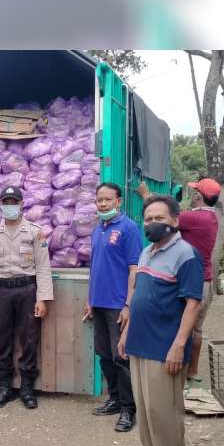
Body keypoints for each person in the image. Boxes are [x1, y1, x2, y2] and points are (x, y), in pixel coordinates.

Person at [118, 195, 204, 446]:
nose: (153, 223)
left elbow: (193, 304)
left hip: (165, 344)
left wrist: (180, 345)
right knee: (145, 405)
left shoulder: (187, 255)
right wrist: (126, 331)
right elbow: (138, 294)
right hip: (140, 341)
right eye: (149, 219)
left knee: (165, 408)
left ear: (176, 221)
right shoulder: (146, 252)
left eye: (160, 218)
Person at [137, 178, 220, 382]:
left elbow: (161, 217)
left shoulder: (197, 218)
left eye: (194, 192)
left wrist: (146, 194)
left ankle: (186, 369)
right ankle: (191, 370)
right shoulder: (210, 218)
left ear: (199, 196)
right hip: (203, 277)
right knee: (195, 327)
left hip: (192, 278)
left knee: (189, 325)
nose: (192, 195)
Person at [0, 186, 53, 409]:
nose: (10, 206)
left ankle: (27, 388)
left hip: (27, 290)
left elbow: (43, 267)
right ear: (0, 205)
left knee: (29, 339)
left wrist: (43, 298)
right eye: (6, 202)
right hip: (2, 291)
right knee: (2, 340)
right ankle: (5, 387)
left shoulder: (34, 232)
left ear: (22, 204)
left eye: (14, 202)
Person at [82, 182, 142, 432]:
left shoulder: (128, 228)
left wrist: (128, 305)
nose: (103, 204)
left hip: (118, 305)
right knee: (104, 354)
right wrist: (89, 299)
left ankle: (129, 409)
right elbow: (95, 267)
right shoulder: (98, 229)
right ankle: (115, 399)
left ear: (119, 201)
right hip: (99, 303)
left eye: (108, 200)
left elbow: (134, 269)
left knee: (121, 357)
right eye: (99, 200)